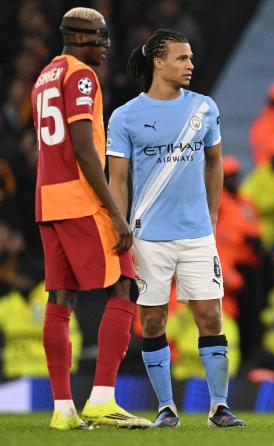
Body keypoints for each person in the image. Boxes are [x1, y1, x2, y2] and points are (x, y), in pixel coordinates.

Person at [107, 28, 245, 428]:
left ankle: (219, 406)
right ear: (159, 62)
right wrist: (120, 224)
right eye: (182, 58)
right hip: (147, 236)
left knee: (210, 316)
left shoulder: (204, 108)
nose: (191, 65)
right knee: (152, 321)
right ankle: (166, 407)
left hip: (197, 234)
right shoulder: (125, 117)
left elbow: (215, 161)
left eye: (190, 58)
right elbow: (117, 179)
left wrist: (214, 215)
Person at [31, 7, 150, 430]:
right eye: (100, 38)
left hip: (48, 201)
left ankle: (63, 409)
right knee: (125, 283)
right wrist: (115, 213)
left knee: (60, 299)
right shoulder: (81, 76)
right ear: (80, 38)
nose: (106, 45)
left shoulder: (44, 76)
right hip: (81, 200)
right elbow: (83, 147)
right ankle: (102, 398)